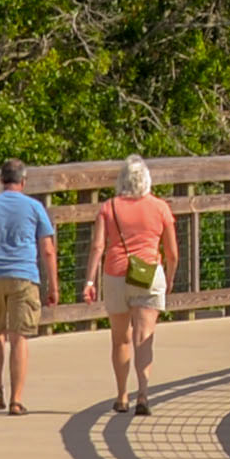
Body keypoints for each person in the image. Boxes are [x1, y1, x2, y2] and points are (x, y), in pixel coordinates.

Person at [85, 156, 182, 418]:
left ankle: (121, 395)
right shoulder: (160, 208)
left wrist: (90, 280)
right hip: (148, 274)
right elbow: (172, 252)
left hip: (116, 274)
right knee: (144, 338)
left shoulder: (109, 207)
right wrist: (170, 277)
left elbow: (98, 247)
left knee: (120, 339)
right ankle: (143, 393)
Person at [0, 163, 59, 415]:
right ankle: (16, 400)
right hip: (24, 276)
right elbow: (48, 250)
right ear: (24, 181)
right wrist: (54, 285)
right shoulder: (34, 208)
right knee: (19, 337)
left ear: (1, 179)